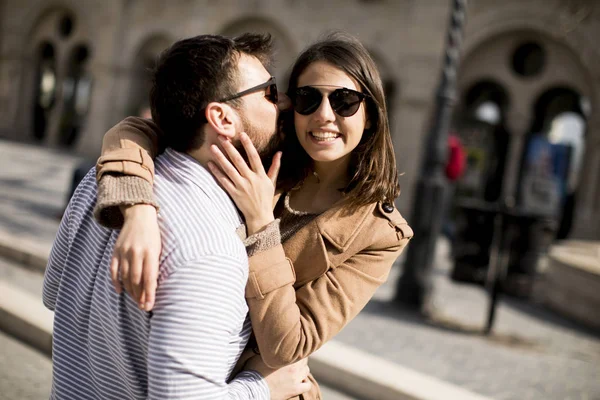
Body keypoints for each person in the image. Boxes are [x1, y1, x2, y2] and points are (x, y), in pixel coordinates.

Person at [94, 32, 413, 400]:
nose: (324, 115)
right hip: (191, 371)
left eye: (345, 101)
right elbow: (134, 130)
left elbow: (288, 345)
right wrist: (137, 212)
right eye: (308, 98)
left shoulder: (379, 233)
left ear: (370, 114)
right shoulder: (256, 149)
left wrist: (262, 226)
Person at [43, 33, 312, 400]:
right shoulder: (210, 247)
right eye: (268, 91)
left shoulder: (100, 180)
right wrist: (263, 388)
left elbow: (54, 293)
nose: (281, 103)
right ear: (222, 117)